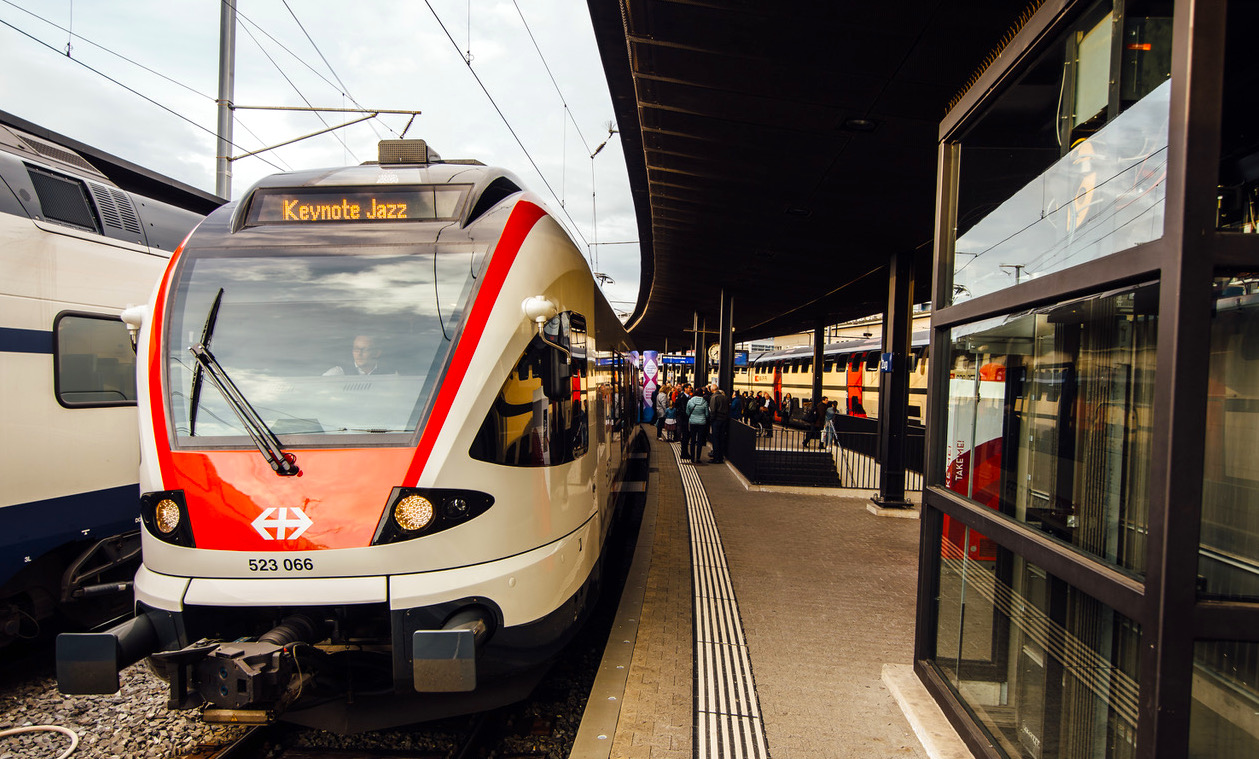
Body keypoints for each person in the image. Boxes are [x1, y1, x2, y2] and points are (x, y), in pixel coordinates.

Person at [325, 334, 393, 376]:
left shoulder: (391, 374)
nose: (359, 354)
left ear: (377, 353)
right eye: (356, 349)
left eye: (364, 350)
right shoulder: (337, 374)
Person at [686, 386, 711, 464]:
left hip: (692, 422)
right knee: (700, 440)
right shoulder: (705, 402)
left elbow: (687, 412)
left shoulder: (690, 401)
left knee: (692, 440)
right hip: (702, 423)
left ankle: (692, 458)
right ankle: (698, 458)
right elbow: (707, 414)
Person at [708, 385, 729, 464]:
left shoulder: (714, 398)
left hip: (716, 420)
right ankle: (721, 457)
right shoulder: (725, 397)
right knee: (721, 438)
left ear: (712, 390)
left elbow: (713, 410)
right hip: (724, 420)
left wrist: (711, 420)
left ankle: (716, 457)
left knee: (715, 439)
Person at [673, 383, 692, 458]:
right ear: (685, 389)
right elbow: (681, 407)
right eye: (689, 388)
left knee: (686, 436)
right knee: (685, 436)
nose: (690, 389)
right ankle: (684, 453)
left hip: (685, 419)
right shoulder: (683, 397)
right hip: (684, 419)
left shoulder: (687, 397)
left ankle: (685, 452)